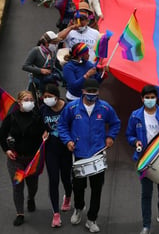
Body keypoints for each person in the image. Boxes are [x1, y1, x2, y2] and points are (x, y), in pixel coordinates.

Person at [58, 78, 120, 233]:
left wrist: (110, 137)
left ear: (98, 92)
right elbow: (62, 125)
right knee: (78, 187)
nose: (92, 94)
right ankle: (79, 208)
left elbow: (115, 123)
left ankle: (92, 219)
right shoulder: (72, 108)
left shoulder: (105, 108)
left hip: (97, 155)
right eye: (89, 91)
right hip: (79, 154)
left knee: (96, 188)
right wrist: (68, 141)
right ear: (83, 91)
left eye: (95, 92)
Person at [125, 85, 159, 234]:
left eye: (152, 97)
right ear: (142, 99)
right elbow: (129, 135)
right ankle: (146, 225)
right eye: (147, 97)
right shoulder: (135, 115)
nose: (150, 100)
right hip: (144, 159)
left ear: (156, 98)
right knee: (146, 193)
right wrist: (135, 141)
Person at [0, 90, 47, 226]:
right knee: (17, 186)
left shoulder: (37, 117)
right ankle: (20, 213)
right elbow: (2, 136)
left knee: (33, 185)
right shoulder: (11, 117)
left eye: (31, 100)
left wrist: (45, 134)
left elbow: (44, 131)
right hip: (16, 161)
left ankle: (31, 198)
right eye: (26, 100)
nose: (29, 102)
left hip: (32, 160)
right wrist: (7, 150)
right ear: (19, 102)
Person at [40, 84, 73, 228]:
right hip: (51, 151)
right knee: (53, 180)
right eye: (45, 97)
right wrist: (42, 132)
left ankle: (68, 196)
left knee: (66, 178)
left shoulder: (69, 108)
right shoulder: (43, 110)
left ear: (57, 96)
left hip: (66, 150)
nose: (47, 99)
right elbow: (40, 126)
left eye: (49, 96)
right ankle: (56, 214)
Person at [22, 31, 63, 104]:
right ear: (47, 43)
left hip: (50, 81)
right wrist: (40, 70)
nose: (56, 45)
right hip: (37, 82)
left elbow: (56, 64)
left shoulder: (53, 52)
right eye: (54, 43)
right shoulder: (36, 51)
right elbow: (25, 66)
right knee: (36, 103)